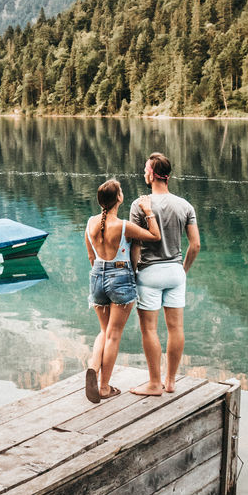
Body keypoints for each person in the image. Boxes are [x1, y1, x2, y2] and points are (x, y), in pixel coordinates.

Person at [129, 152, 201, 396]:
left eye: (145, 170)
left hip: (149, 273)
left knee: (149, 329)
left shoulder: (139, 205)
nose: (143, 173)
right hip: (175, 272)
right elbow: (195, 245)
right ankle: (170, 382)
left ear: (151, 175)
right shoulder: (185, 206)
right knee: (176, 328)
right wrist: (183, 270)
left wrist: (132, 272)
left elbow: (135, 245)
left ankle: (154, 383)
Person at [84, 178, 161, 403]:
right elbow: (155, 236)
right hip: (120, 277)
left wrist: (101, 274)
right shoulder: (123, 226)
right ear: (119, 198)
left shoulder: (90, 223)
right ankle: (104, 387)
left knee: (104, 331)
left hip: (96, 276)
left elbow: (91, 256)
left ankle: (93, 366)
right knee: (114, 334)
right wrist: (149, 212)